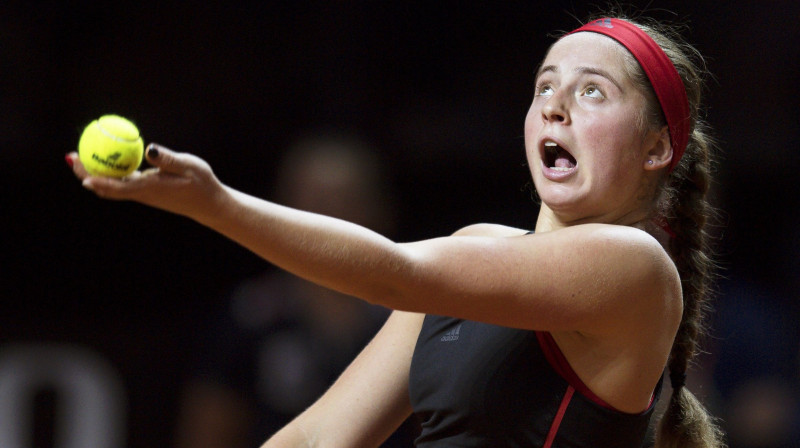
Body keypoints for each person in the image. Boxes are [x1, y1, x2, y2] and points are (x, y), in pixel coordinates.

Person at [67, 13, 725, 448]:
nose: (553, 103)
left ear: (657, 148)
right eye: (544, 85)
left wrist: (213, 203)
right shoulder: (473, 252)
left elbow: (392, 273)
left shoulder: (635, 267)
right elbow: (317, 439)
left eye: (592, 93)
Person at [171, 133, 418, 448]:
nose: (327, 216)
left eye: (345, 200)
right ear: (279, 208)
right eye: (313, 200)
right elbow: (206, 433)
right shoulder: (248, 318)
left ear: (380, 210)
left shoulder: (413, 320)